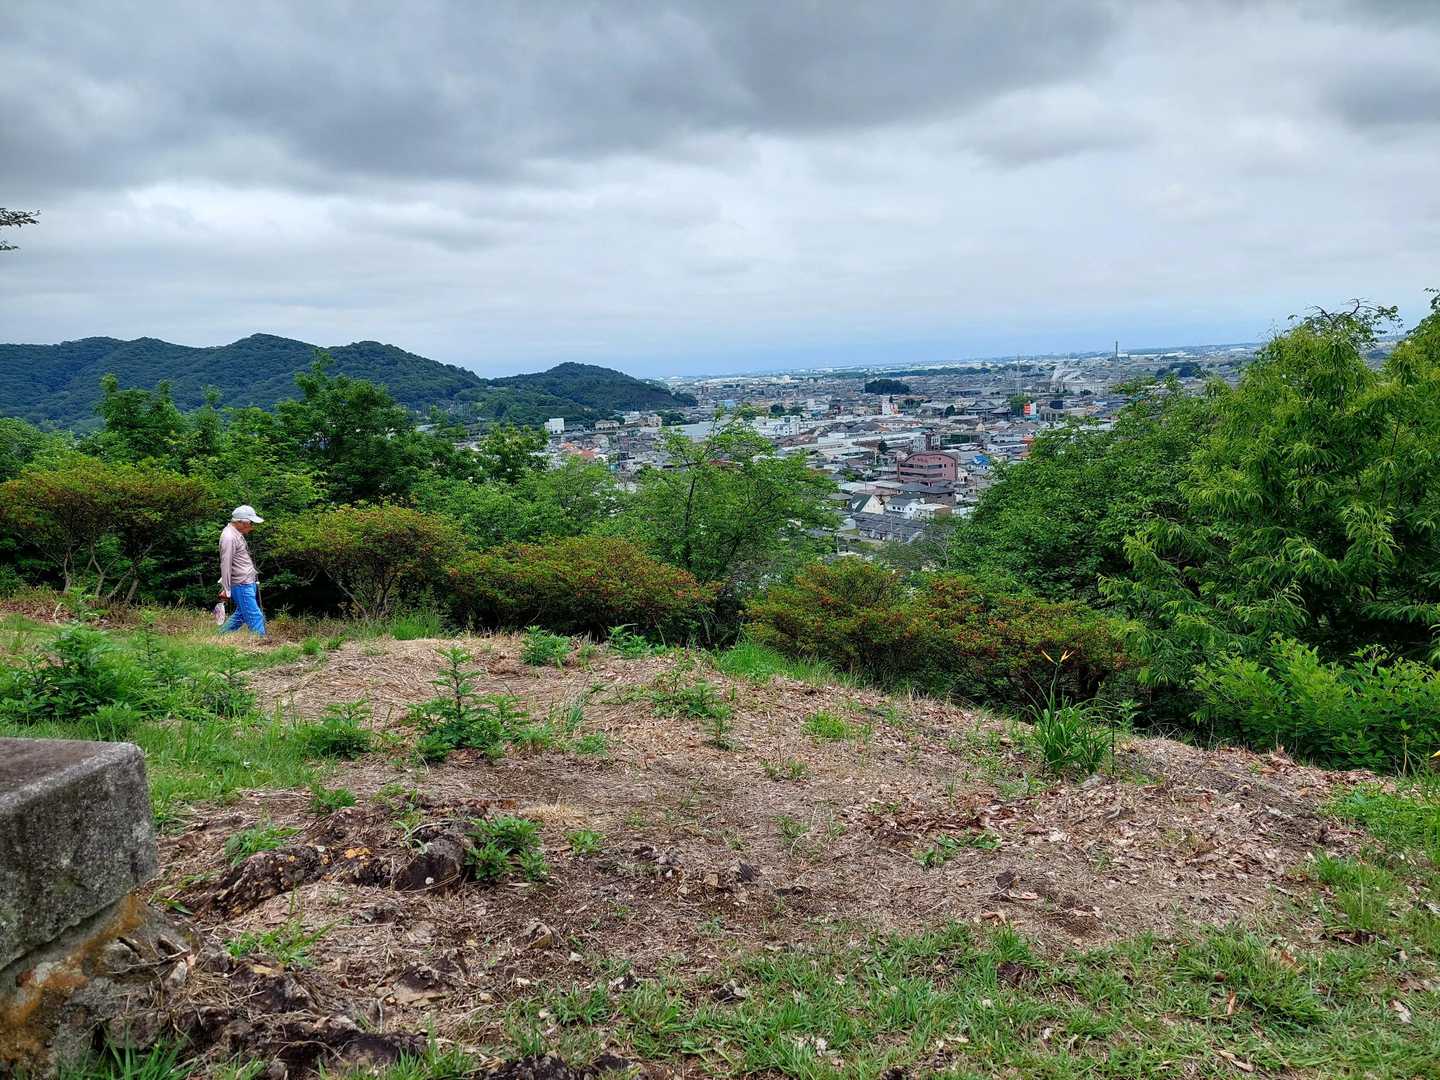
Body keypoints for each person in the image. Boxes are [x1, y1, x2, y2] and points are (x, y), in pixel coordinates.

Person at [218, 505, 267, 637]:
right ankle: (260, 643)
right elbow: (226, 564)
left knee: (241, 614)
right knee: (255, 615)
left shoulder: (236, 534)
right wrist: (226, 588)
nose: (251, 527)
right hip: (241, 583)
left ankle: (219, 637)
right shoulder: (229, 537)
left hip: (247, 581)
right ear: (241, 522)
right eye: (250, 523)